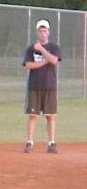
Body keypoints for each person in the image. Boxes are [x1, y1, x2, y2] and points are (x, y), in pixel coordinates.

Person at [22, 19, 62, 154]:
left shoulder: (54, 48)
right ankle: (29, 142)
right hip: (34, 85)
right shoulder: (31, 49)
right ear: (37, 32)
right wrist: (45, 62)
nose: (43, 33)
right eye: (40, 31)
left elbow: (54, 60)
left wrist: (42, 50)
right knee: (33, 115)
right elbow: (28, 65)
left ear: (49, 32)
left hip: (49, 85)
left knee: (50, 116)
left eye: (45, 31)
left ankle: (51, 143)